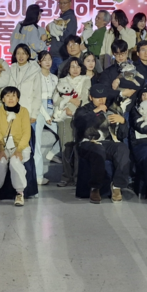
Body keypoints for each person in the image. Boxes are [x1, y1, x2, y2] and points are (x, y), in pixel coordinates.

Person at [73, 84, 130, 204]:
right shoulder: (83, 110)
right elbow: (79, 124)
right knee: (98, 151)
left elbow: (122, 135)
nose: (101, 100)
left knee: (122, 148)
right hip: (87, 142)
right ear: (90, 97)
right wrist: (95, 112)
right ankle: (95, 188)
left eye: (103, 97)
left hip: (107, 142)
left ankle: (117, 186)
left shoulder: (112, 110)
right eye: (97, 97)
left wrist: (123, 122)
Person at [55, 57, 92, 187]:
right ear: (68, 68)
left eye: (78, 66)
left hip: (80, 116)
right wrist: (71, 101)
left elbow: (85, 99)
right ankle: (66, 176)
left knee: (78, 147)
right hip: (65, 116)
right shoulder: (61, 81)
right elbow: (56, 99)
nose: (75, 69)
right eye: (72, 67)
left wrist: (72, 108)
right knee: (66, 147)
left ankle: (77, 177)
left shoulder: (86, 80)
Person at [0, 86, 31, 206]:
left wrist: (19, 150)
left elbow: (26, 133)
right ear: (3, 99)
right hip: (4, 146)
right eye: (7, 96)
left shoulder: (24, 111)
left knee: (15, 161)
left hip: (21, 146)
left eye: (13, 96)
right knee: (0, 162)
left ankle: (20, 193)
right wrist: (0, 149)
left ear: (18, 98)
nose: (10, 98)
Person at [35, 51, 59, 185]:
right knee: (37, 145)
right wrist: (45, 115)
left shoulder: (55, 78)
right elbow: (36, 98)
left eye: (49, 59)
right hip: (39, 110)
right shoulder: (36, 77)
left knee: (64, 137)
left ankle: (52, 153)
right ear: (39, 62)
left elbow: (57, 97)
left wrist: (55, 113)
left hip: (52, 108)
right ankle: (38, 176)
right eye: (44, 59)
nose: (48, 62)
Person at [8, 44, 41, 123]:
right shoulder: (11, 69)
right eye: (18, 53)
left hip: (27, 110)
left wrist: (34, 114)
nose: (21, 56)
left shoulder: (34, 71)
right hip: (11, 110)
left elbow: (37, 94)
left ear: (28, 55)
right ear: (15, 55)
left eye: (24, 53)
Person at [49, 0, 78, 73]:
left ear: (70, 3)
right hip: (55, 54)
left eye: (65, 3)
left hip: (61, 54)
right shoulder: (62, 17)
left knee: (60, 77)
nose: (62, 5)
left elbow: (68, 37)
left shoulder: (70, 18)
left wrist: (54, 33)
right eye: (60, 3)